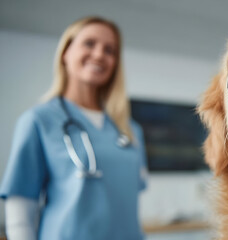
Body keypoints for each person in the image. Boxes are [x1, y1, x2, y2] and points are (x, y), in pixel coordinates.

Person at [0, 16, 148, 239]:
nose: (99, 54)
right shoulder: (39, 120)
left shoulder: (129, 130)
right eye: (89, 43)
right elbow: (20, 208)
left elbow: (127, 203)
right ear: (65, 52)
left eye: (110, 50)